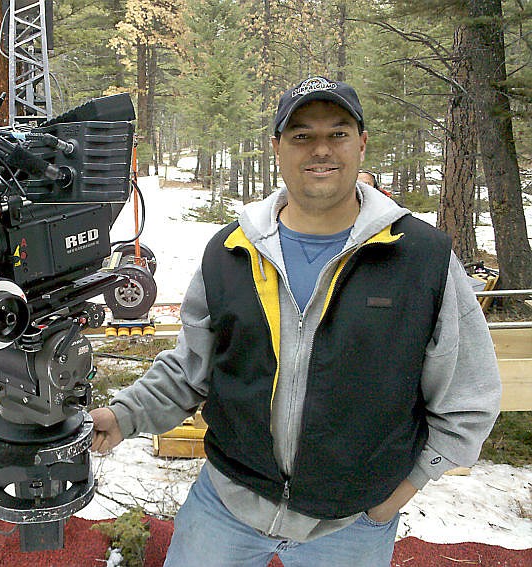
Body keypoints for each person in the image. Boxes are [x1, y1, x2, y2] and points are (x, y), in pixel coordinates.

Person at [90, 76, 501, 567]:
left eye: (338, 133)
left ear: (362, 144)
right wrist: (121, 416)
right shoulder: (230, 251)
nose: (321, 150)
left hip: (352, 523)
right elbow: (191, 369)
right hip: (226, 505)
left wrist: (399, 494)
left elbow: (469, 398)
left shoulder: (421, 258)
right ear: (277, 148)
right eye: (302, 135)